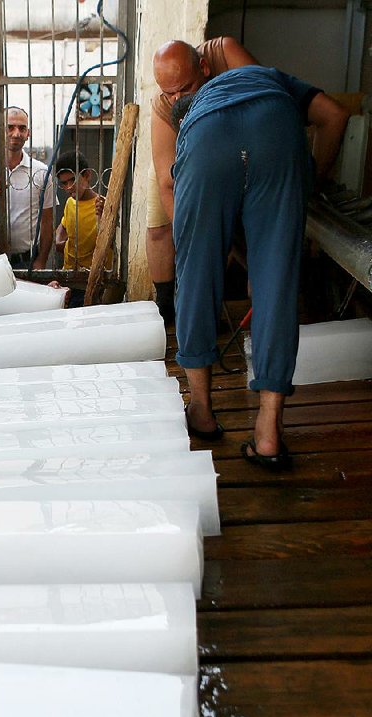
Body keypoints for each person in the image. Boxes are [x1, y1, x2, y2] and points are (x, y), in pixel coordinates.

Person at [170, 64, 348, 466]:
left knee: (196, 276)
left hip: (207, 141)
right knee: (277, 284)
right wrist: (310, 182)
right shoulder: (272, 76)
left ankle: (201, 411)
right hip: (278, 131)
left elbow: (190, 227)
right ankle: (269, 432)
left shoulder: (195, 114)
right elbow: (335, 115)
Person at [149, 36, 257, 322]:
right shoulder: (164, 107)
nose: (177, 99)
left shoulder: (226, 53)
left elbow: (263, 104)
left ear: (205, 68)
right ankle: (166, 307)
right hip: (183, 158)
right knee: (161, 226)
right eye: (168, 93)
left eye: (184, 89)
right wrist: (189, 240)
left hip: (234, 147)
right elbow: (167, 182)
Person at [0, 106, 53, 270]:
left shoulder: (41, 172)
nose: (16, 133)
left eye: (22, 128)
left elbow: (47, 222)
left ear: (28, 133)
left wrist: (41, 260)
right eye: (10, 127)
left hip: (26, 261)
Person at [54, 150, 105, 271]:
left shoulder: (102, 205)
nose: (69, 187)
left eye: (73, 180)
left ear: (87, 175)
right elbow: (62, 228)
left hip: (95, 275)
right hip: (70, 273)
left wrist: (104, 218)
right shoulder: (70, 203)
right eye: (64, 183)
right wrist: (60, 243)